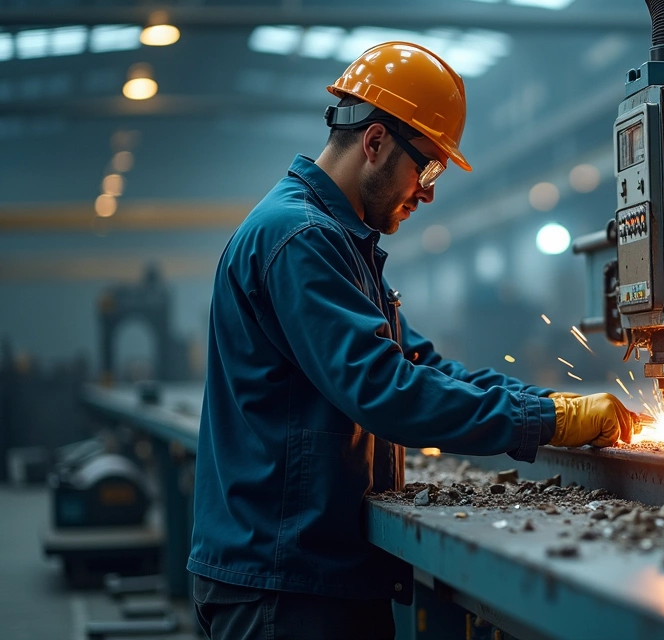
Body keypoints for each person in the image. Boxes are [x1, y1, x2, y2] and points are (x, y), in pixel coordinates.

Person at [188, 42, 637, 640]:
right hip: (283, 579)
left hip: (309, 566)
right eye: (426, 167)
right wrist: (542, 423)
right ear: (374, 144)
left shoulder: (339, 242)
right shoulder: (299, 239)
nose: (428, 192)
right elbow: (386, 390)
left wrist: (550, 406)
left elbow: (421, 366)